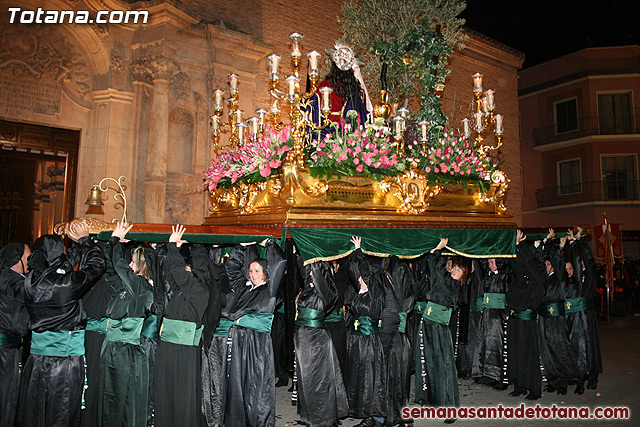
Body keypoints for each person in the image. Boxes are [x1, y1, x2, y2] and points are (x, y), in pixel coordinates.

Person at [16, 222, 106, 427]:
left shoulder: (30, 282)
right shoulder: (66, 285)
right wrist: (84, 240)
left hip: (36, 361)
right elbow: (97, 266)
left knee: (36, 412)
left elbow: (56, 268)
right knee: (62, 414)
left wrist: (72, 245)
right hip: (63, 363)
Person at [220, 238, 286, 427]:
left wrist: (271, 245)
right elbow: (232, 269)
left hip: (256, 345)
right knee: (236, 386)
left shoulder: (270, 291)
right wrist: (241, 247)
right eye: (250, 271)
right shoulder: (244, 288)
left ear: (266, 272)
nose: (253, 274)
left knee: (255, 387)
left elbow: (279, 264)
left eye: (257, 271)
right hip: (239, 344)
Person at [97, 222, 154, 426]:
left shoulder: (142, 287)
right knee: (109, 399)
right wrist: (111, 245)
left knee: (124, 400)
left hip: (126, 351)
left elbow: (120, 267)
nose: (129, 265)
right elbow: (110, 271)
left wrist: (115, 242)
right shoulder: (127, 288)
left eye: (133, 262)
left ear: (141, 265)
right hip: (112, 348)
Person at [154, 225, 211, 427]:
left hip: (184, 350)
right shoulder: (182, 290)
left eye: (190, 269)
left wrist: (172, 247)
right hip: (169, 346)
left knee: (183, 392)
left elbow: (178, 272)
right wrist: (169, 249)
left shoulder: (199, 291)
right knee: (167, 388)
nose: (185, 272)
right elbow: (170, 274)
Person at [294, 259, 348, 427]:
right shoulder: (309, 290)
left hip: (316, 339)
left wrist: (316, 260)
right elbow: (303, 269)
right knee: (306, 380)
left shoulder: (328, 292)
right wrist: (302, 251)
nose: (309, 274)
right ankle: (309, 415)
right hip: (303, 338)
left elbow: (319, 276)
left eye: (313, 271)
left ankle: (322, 419)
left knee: (318, 380)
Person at [417, 238, 466, 420]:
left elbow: (437, 269)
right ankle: (433, 400)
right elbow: (434, 269)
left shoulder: (453, 285)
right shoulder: (444, 282)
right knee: (429, 362)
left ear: (463, 276)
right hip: (429, 324)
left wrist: (438, 249)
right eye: (454, 267)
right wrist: (435, 254)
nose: (454, 270)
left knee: (444, 366)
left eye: (459, 270)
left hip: (439, 329)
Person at [345, 236, 387, 427]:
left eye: (363, 276)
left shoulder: (375, 294)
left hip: (369, 341)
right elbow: (355, 272)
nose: (359, 278)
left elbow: (366, 274)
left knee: (371, 378)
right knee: (360, 377)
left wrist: (359, 252)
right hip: (357, 341)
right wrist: (354, 258)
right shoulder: (360, 292)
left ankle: (375, 416)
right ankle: (365, 412)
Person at [538, 229, 581, 395]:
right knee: (546, 349)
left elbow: (557, 260)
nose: (547, 267)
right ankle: (553, 379)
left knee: (561, 349)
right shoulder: (543, 279)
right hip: (544, 318)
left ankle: (570, 379)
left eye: (549, 265)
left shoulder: (560, 278)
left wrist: (551, 243)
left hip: (556, 319)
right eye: (546, 265)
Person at [507, 230, 545, 400]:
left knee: (529, 355)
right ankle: (519, 385)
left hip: (528, 321)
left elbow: (528, 263)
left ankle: (534, 389)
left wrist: (520, 245)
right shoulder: (520, 280)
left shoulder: (538, 276)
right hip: (516, 319)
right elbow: (517, 266)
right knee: (515, 353)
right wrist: (515, 246)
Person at [0, 242, 30, 427]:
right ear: (17, 260)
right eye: (28, 258)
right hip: (5, 352)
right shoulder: (11, 280)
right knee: (6, 399)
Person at [383, 257, 416, 427]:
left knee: (394, 379)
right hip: (401, 339)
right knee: (399, 380)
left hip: (396, 338)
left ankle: (395, 416)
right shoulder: (405, 291)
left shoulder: (398, 292)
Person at [472, 258, 511, 389]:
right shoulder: (487, 277)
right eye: (489, 263)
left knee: (495, 344)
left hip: (497, 316)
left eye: (492, 262)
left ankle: (497, 375)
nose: (490, 265)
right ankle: (485, 373)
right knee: (484, 343)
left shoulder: (504, 277)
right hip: (487, 314)